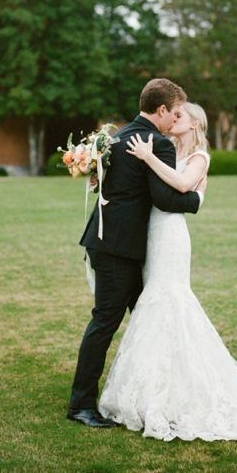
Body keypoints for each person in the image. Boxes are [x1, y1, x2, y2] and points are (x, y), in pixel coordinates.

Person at [98, 102, 237, 442]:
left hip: (171, 236)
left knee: (171, 299)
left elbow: (183, 184)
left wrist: (148, 158)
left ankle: (186, 391)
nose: (175, 119)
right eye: (173, 114)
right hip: (148, 233)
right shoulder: (164, 147)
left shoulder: (200, 156)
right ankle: (156, 388)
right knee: (152, 306)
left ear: (194, 124)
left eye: (180, 116)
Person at [67, 79, 207, 428]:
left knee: (148, 322)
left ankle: (152, 394)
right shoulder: (155, 143)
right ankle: (81, 405)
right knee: (104, 323)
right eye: (174, 112)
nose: (176, 119)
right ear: (161, 110)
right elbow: (166, 199)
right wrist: (198, 198)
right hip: (120, 248)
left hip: (108, 241)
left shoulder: (115, 136)